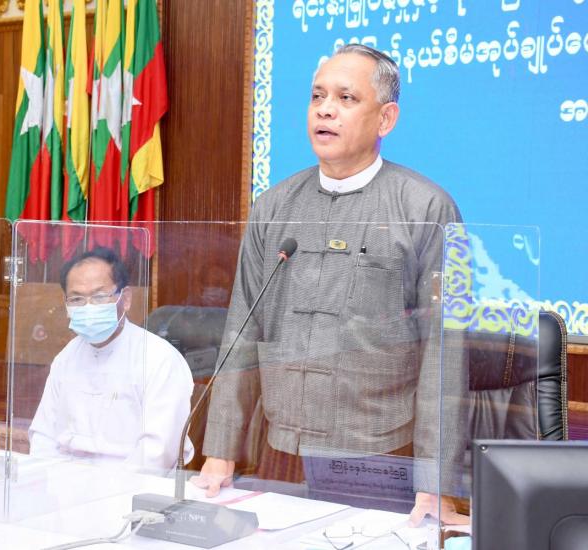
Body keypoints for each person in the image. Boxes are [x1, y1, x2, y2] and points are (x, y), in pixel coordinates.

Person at [192, 44, 468, 524]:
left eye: (346, 98)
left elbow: (445, 352)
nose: (325, 109)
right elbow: (242, 329)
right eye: (317, 96)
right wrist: (220, 451)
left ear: (386, 119)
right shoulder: (273, 205)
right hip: (282, 448)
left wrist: (435, 482)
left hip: (379, 453)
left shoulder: (428, 208)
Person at [28, 247, 195, 471]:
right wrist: (46, 478)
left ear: (125, 299)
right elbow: (43, 434)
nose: (88, 307)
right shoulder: (66, 358)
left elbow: (158, 451)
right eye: (77, 299)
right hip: (65, 480)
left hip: (134, 483)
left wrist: (108, 486)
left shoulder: (159, 358)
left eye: (99, 297)